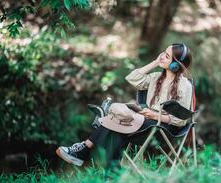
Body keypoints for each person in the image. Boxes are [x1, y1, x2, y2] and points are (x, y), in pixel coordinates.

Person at [56, 43, 193, 168]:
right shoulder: (156, 77)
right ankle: (109, 172)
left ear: (176, 65)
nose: (162, 56)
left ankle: (86, 149)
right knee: (120, 122)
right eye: (164, 52)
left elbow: (181, 120)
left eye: (167, 56)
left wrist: (156, 116)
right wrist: (155, 62)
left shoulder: (184, 85)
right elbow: (132, 77)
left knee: (119, 120)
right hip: (145, 120)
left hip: (162, 128)